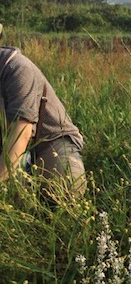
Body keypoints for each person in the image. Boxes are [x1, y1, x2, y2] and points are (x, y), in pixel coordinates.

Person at [0, 43, 86, 199]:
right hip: (7, 144)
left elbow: (21, 133)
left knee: (65, 190)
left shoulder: (16, 68)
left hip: (49, 141)